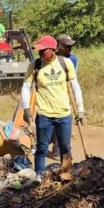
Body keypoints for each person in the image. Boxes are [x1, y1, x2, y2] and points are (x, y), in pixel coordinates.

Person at [21, 35, 85, 175]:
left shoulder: (65, 63)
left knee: (65, 147)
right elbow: (26, 87)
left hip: (64, 115)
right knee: (42, 148)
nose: (40, 53)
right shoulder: (35, 65)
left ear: (52, 50)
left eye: (43, 50)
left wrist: (80, 109)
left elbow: (75, 87)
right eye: (39, 50)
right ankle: (38, 177)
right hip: (44, 115)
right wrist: (26, 108)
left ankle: (66, 175)